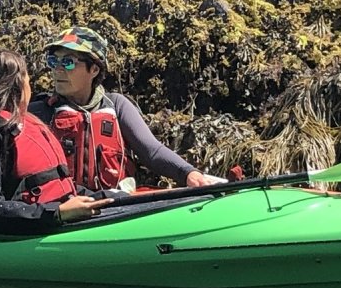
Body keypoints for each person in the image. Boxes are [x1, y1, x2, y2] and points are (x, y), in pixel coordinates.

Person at [0, 47, 113, 234]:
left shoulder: (27, 122)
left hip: (55, 212)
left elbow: (53, 183)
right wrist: (57, 214)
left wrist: (110, 196)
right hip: (29, 226)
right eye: (27, 80)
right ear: (17, 86)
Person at [29, 26, 224, 190]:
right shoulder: (38, 112)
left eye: (68, 62)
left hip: (113, 208)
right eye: (53, 61)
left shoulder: (117, 106)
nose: (58, 69)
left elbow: (151, 151)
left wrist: (188, 172)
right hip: (63, 210)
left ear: (94, 70)